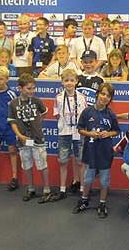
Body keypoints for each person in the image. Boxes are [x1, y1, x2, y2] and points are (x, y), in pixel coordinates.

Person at [73, 83, 120, 218]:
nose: (104, 97)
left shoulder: (110, 114)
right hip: (91, 150)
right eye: (103, 94)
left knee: (104, 180)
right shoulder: (87, 112)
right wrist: (90, 134)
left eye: (108, 96)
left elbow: (116, 131)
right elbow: (80, 129)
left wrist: (108, 134)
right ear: (97, 94)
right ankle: (84, 200)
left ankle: (102, 203)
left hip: (105, 152)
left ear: (110, 99)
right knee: (88, 179)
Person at [7, 73, 51, 203]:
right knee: (27, 165)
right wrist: (20, 135)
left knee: (42, 164)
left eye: (33, 88)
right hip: (23, 140)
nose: (32, 91)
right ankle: (31, 188)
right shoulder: (13, 104)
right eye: (29, 88)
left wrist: (36, 125)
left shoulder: (37, 101)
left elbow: (43, 113)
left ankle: (47, 190)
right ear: (20, 88)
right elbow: (12, 121)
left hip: (37, 139)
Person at [53, 69, 88, 200]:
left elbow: (84, 115)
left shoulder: (81, 97)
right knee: (63, 161)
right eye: (66, 80)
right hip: (64, 133)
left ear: (76, 82)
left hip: (78, 133)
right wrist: (66, 125)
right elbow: (57, 115)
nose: (69, 83)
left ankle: (83, 188)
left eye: (72, 80)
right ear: (62, 82)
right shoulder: (58, 98)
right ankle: (62, 189)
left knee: (81, 161)